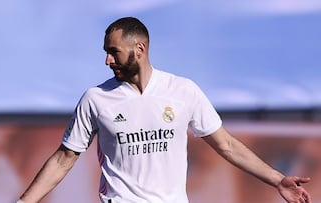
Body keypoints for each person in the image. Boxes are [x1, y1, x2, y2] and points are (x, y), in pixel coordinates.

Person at [17, 17, 311, 203]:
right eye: (105, 52)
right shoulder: (96, 98)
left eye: (113, 52)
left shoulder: (183, 90)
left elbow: (227, 145)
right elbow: (65, 158)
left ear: (140, 49)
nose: (107, 60)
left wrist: (277, 179)